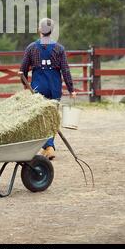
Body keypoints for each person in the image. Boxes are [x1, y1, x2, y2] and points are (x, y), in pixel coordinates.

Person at [19, 18, 76, 160]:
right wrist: (71, 89)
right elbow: (66, 70)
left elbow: (22, 70)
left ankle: (48, 146)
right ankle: (48, 147)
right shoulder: (59, 48)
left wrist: (25, 85)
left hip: (38, 87)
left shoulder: (31, 48)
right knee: (52, 117)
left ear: (40, 30)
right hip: (54, 87)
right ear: (52, 31)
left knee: (40, 118)